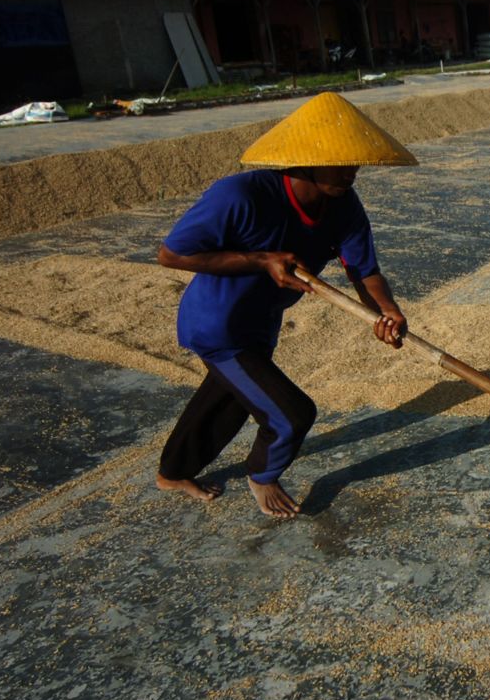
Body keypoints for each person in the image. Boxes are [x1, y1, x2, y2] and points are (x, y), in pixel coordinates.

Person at [155, 92, 418, 517]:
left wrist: (385, 310)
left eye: (355, 162)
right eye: (339, 161)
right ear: (305, 158)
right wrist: (262, 260)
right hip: (217, 326)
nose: (350, 172)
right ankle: (262, 475)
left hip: (262, 323)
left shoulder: (344, 207)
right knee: (290, 414)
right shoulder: (240, 196)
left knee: (228, 399)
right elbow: (171, 255)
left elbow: (364, 271)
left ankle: (172, 471)